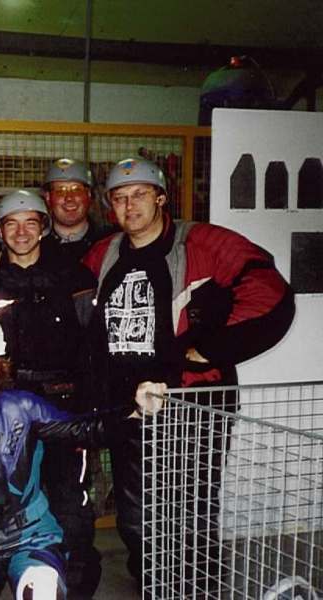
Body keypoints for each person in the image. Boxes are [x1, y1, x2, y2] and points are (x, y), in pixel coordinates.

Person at [82, 157, 296, 591]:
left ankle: (198, 587)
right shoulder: (103, 254)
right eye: (120, 198)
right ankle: (154, 584)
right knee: (136, 514)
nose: (130, 205)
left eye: (140, 194)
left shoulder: (203, 242)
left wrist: (210, 350)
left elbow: (269, 292)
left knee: (190, 508)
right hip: (128, 406)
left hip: (192, 402)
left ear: (161, 198)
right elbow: (75, 315)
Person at [0, 310, 165, 600]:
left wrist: (136, 410)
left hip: (30, 536)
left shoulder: (21, 409)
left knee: (42, 591)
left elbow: (82, 429)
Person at [0, 191, 101, 598]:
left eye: (30, 223)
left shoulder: (75, 278)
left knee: (69, 505)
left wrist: (89, 410)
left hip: (64, 407)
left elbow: (95, 344)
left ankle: (73, 586)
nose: (21, 232)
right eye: (12, 223)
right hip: (7, 410)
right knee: (7, 502)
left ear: (44, 227)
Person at [41, 158, 110, 269]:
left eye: (76, 189)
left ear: (89, 195)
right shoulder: (35, 245)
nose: (69, 198)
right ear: (48, 198)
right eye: (60, 191)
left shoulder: (109, 243)